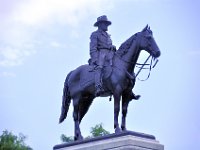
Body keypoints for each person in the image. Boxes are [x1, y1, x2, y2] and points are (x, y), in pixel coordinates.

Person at [89, 15, 116, 96]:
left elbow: (109, 45)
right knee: (99, 67)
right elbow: (93, 48)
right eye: (105, 24)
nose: (107, 26)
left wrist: (112, 47)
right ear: (100, 24)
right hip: (101, 54)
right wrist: (95, 59)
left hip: (111, 53)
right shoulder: (95, 34)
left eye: (107, 24)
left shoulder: (108, 35)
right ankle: (98, 86)